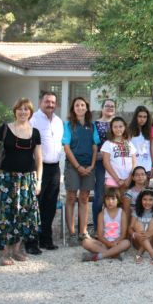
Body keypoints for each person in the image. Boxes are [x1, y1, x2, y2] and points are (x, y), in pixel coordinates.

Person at [0, 98, 42, 265]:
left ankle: (17, 251)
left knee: (23, 215)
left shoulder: (35, 132)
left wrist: (38, 181)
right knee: (5, 215)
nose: (23, 112)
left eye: (26, 109)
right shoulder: (5, 129)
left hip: (27, 180)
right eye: (20, 109)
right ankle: (4, 253)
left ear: (30, 113)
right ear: (15, 111)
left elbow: (39, 159)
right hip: (7, 179)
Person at [27, 91, 63, 254]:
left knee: (50, 206)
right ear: (40, 102)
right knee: (36, 206)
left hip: (55, 168)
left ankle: (46, 239)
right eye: (47, 101)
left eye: (53, 102)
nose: (50, 104)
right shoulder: (33, 120)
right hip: (38, 168)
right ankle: (31, 242)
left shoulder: (58, 121)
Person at [63, 97, 100, 245]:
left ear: (86, 108)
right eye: (77, 105)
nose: (80, 107)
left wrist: (91, 166)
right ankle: (72, 234)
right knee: (71, 197)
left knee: (84, 198)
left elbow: (94, 146)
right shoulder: (68, 125)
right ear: (73, 108)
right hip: (73, 166)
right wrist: (78, 166)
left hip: (89, 166)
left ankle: (83, 232)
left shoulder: (92, 126)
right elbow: (66, 147)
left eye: (82, 105)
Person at [81, 188, 131, 261]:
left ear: (118, 200)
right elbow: (100, 236)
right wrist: (108, 243)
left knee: (127, 242)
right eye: (107, 199)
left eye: (113, 199)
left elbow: (123, 235)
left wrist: (115, 242)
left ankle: (101, 255)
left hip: (118, 243)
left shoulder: (122, 213)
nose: (110, 202)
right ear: (104, 200)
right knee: (85, 242)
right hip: (104, 243)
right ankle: (115, 254)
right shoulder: (102, 214)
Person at [92, 98, 116, 232]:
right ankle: (97, 228)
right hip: (100, 163)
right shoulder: (95, 124)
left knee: (114, 195)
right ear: (102, 108)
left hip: (116, 164)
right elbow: (92, 144)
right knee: (100, 196)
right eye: (107, 106)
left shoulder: (118, 124)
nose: (110, 108)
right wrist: (99, 155)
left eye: (112, 106)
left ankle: (112, 227)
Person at [101, 117, 136, 196]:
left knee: (124, 203)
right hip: (112, 179)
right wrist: (117, 180)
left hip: (127, 179)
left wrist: (129, 178)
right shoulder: (108, 143)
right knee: (110, 203)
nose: (118, 129)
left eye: (120, 126)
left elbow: (134, 163)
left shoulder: (129, 143)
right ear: (111, 128)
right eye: (115, 127)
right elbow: (106, 163)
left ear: (124, 127)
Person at [130, 189, 153, 264]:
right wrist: (135, 234)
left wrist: (150, 234)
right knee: (138, 223)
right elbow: (130, 228)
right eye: (144, 199)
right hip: (138, 242)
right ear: (140, 200)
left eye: (150, 200)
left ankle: (140, 253)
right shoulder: (136, 211)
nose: (147, 202)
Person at [129, 106, 153, 185]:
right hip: (133, 168)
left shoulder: (150, 131)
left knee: (144, 193)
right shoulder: (129, 131)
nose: (142, 119)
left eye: (145, 117)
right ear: (135, 117)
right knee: (132, 192)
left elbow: (152, 150)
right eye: (140, 116)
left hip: (147, 167)